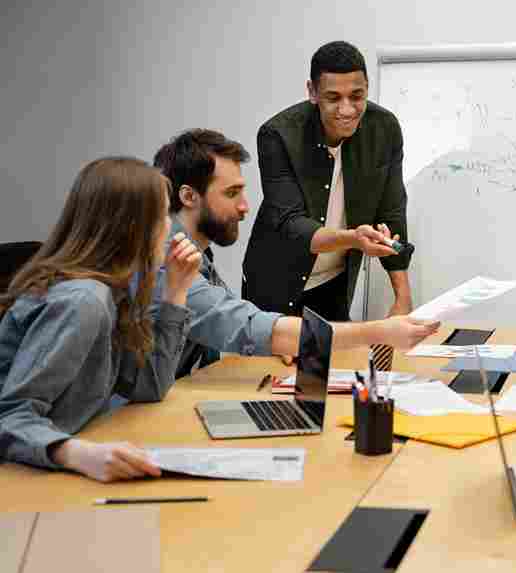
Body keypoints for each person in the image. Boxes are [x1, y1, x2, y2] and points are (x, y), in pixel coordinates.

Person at [153, 128, 436, 378]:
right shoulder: (168, 260)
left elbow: (238, 320)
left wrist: (282, 340)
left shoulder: (192, 251)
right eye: (231, 193)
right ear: (188, 196)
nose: (244, 206)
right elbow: (243, 325)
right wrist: (378, 332)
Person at [0, 157, 201, 482]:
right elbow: (10, 416)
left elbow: (148, 386)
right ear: (134, 226)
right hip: (18, 477)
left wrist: (176, 293)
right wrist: (76, 453)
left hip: (40, 469)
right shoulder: (82, 301)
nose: (171, 227)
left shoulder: (113, 291)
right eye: (164, 214)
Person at [242, 40, 413, 322]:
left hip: (335, 281)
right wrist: (354, 239)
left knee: (337, 351)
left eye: (357, 96)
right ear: (312, 92)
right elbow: (290, 224)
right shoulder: (278, 135)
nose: (347, 109)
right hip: (276, 282)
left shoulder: (384, 129)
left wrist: (402, 297)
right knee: (278, 352)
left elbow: (391, 210)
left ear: (367, 87)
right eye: (333, 98)